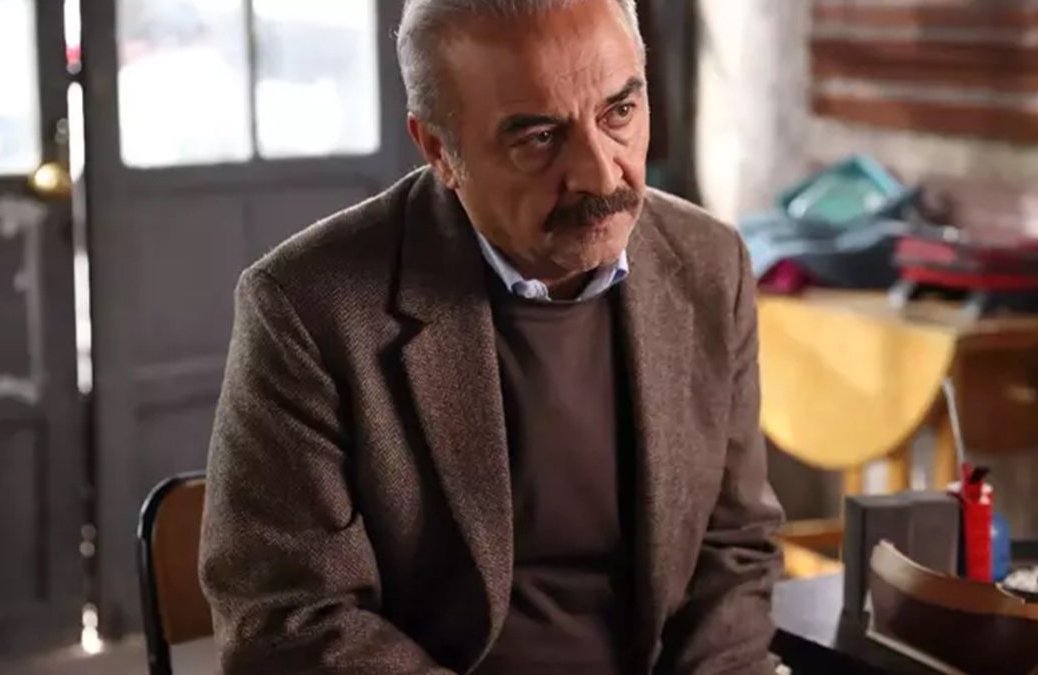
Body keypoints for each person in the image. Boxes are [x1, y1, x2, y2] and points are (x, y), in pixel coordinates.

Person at [198, 1, 784, 673]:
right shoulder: (307, 306)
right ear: (438, 150)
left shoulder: (710, 263)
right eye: (539, 138)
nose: (601, 174)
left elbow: (735, 544)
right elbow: (287, 618)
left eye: (619, 113)